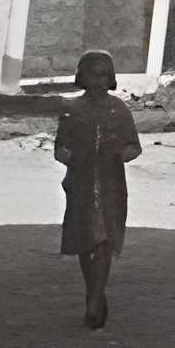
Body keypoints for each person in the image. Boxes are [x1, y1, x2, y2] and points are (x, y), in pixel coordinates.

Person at [53, 50, 141, 330]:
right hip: (80, 182)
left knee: (104, 238)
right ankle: (94, 291)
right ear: (81, 76)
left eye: (104, 73)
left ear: (112, 77)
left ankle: (94, 299)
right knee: (85, 239)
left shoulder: (119, 109)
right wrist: (70, 155)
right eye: (92, 73)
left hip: (111, 183)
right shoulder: (72, 110)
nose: (98, 79)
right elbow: (60, 147)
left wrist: (122, 152)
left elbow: (134, 146)